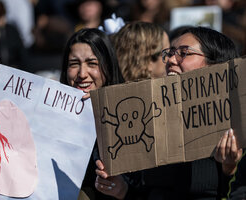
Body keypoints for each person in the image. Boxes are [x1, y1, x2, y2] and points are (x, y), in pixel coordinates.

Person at [95, 26, 243, 200]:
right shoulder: (151, 120)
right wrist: (122, 189)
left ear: (215, 65)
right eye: (170, 53)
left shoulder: (237, 124)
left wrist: (230, 169)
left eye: (184, 53)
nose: (171, 60)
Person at [59, 28, 124, 199]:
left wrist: (123, 191)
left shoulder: (127, 114)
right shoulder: (52, 119)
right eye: (74, 64)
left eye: (92, 63)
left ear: (108, 67)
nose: (82, 74)